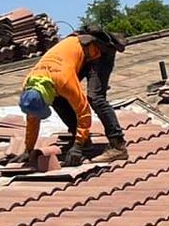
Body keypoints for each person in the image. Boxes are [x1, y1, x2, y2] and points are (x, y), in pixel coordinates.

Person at [19, 26, 127, 166]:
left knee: (95, 98)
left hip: (98, 53)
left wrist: (77, 146)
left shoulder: (63, 81)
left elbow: (84, 111)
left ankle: (118, 146)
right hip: (77, 57)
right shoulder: (30, 85)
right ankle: (85, 142)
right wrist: (28, 149)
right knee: (58, 100)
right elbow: (33, 118)